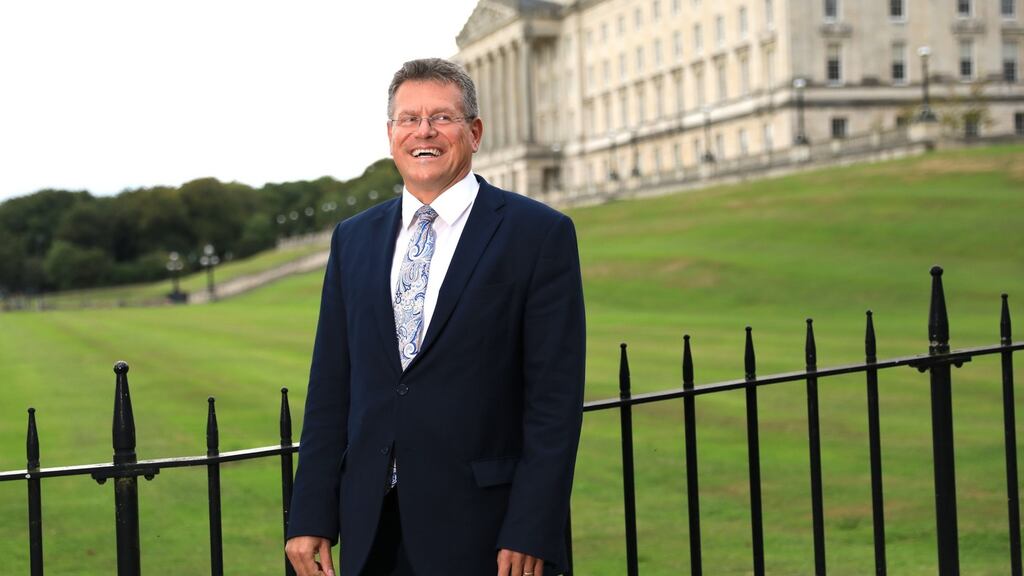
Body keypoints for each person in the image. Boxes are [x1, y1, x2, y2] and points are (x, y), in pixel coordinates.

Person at [284, 58, 586, 576]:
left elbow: (554, 402)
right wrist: (310, 513)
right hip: (372, 528)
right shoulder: (353, 239)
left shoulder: (538, 235)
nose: (424, 132)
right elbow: (331, 387)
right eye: (409, 119)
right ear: (390, 134)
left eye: (442, 118)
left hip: (488, 533)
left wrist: (532, 525)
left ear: (474, 132)